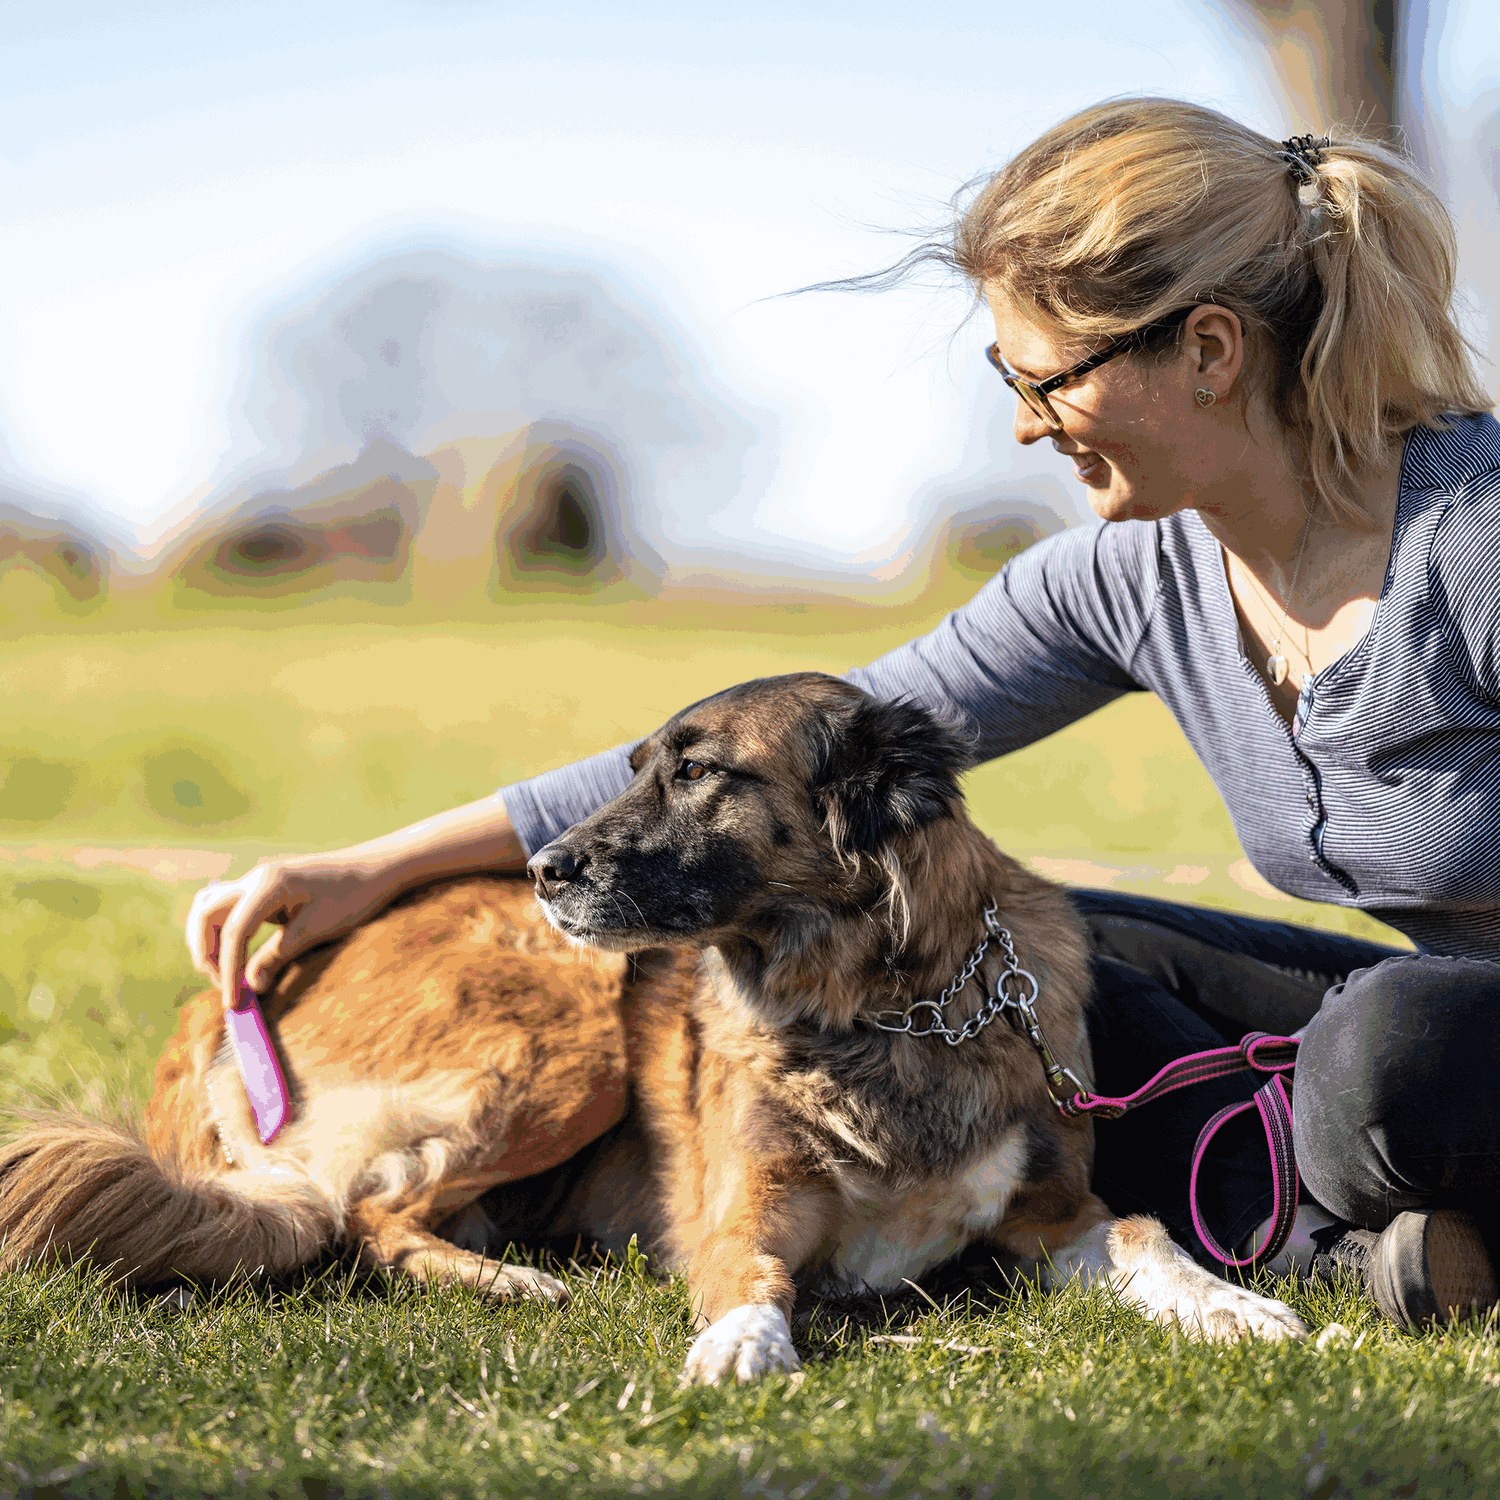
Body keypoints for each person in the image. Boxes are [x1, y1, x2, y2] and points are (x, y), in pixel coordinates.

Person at [185, 99, 1500, 1331]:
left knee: (1391, 1059)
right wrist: (370, 866)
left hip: (1446, 1031)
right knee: (1040, 956)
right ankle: (1349, 1224)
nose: (1031, 427)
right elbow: (798, 742)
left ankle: (1328, 1201)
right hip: (1432, 999)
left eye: (1051, 380)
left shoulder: (1477, 539)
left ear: (1207, 350)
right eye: (1009, 377)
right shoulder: (1129, 579)